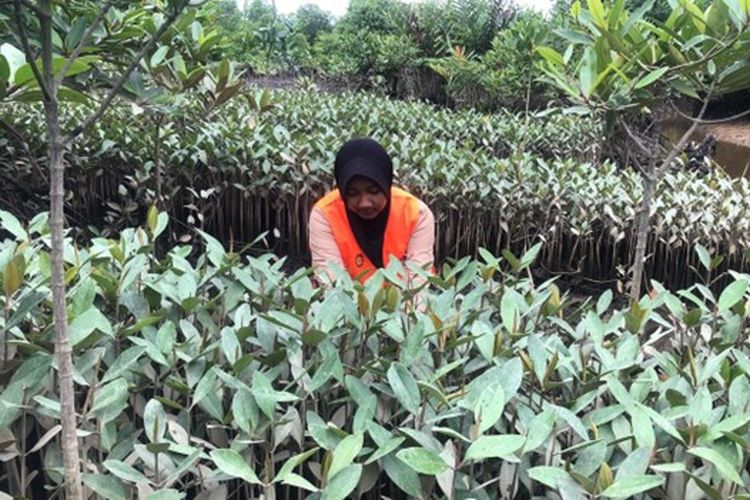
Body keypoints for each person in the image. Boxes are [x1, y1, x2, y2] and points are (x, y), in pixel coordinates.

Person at [309, 137, 435, 283]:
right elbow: (330, 280)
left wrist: (407, 306)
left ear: (385, 184)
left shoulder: (416, 213)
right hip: (348, 302)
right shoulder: (324, 214)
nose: (365, 203)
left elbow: (418, 278)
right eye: (352, 193)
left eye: (374, 191)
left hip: (402, 301)